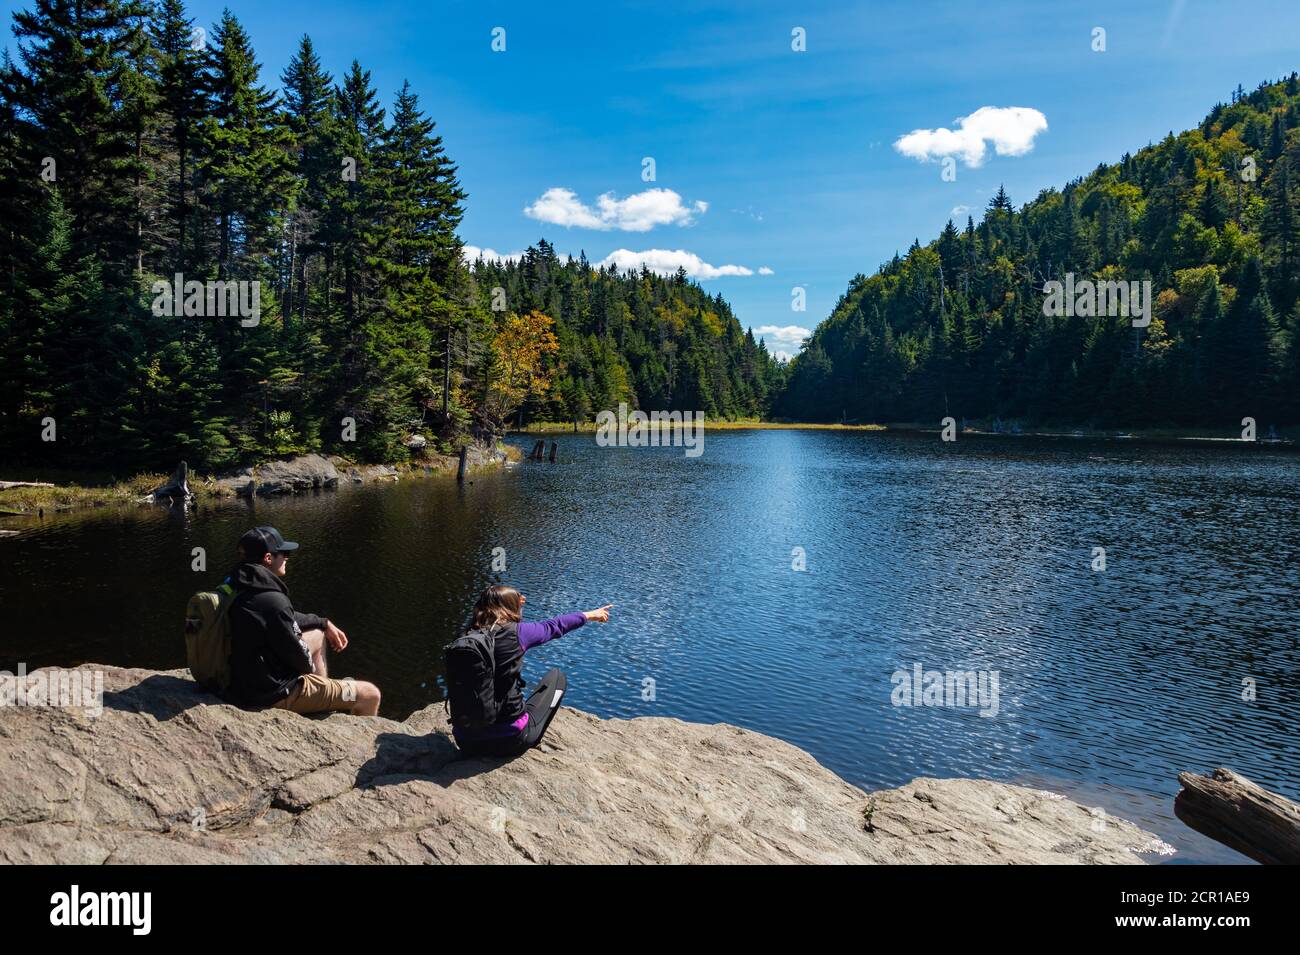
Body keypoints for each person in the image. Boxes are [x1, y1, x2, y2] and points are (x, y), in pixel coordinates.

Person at [225, 526, 381, 716]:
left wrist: (323, 622)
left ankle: (322, 700)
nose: (287, 557)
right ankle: (325, 702)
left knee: (317, 633)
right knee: (370, 694)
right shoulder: (274, 601)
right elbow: (303, 663)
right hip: (274, 695)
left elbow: (286, 616)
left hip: (240, 683)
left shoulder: (234, 587)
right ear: (268, 558)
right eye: (283, 552)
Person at [450, 585, 611, 757]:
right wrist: (589, 615)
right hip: (510, 740)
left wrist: (513, 599)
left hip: (466, 741)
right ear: (508, 607)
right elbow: (555, 626)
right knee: (557, 678)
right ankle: (533, 740)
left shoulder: (465, 637)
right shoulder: (517, 633)